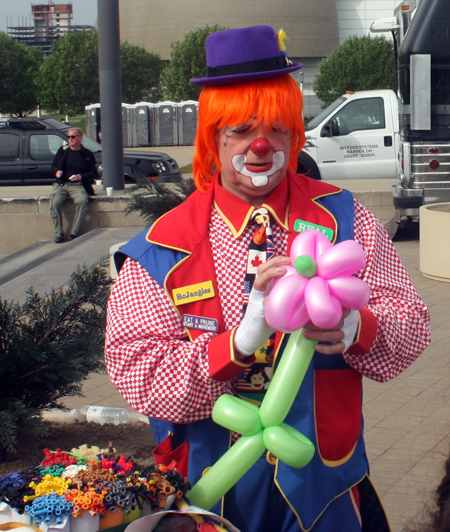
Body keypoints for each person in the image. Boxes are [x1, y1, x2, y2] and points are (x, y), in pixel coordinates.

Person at [105, 26, 431, 532]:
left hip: (327, 485)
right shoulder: (161, 248)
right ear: (212, 135)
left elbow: (411, 324)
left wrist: (356, 328)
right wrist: (238, 342)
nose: (260, 146)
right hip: (210, 490)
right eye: (240, 128)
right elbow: (141, 377)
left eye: (277, 127)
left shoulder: (346, 219)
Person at [50, 128, 97, 243]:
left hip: (77, 184)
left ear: (80, 138)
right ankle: (58, 233)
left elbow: (93, 172)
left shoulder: (87, 154)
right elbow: (53, 166)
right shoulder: (62, 151)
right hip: (62, 184)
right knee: (54, 203)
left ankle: (74, 232)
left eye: (73, 137)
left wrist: (81, 176)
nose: (70, 139)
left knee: (82, 200)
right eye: (68, 137)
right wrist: (57, 172)